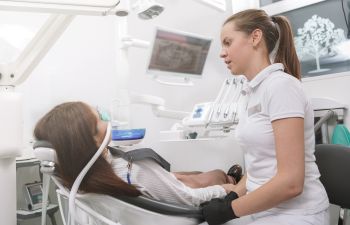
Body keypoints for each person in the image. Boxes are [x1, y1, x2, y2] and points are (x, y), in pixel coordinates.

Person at [201, 9, 329, 225]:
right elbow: (260, 165)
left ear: (255, 37)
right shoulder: (250, 93)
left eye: (227, 42)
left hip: (297, 215)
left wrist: (230, 210)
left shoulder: (281, 87)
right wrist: (234, 194)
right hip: (264, 211)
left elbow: (291, 183)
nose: (222, 53)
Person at [34, 101, 242, 207]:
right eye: (100, 117)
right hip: (172, 196)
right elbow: (189, 199)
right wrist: (225, 190)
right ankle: (231, 178)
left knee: (187, 174)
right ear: (91, 140)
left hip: (145, 185)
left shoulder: (75, 174)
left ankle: (213, 177)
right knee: (211, 176)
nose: (107, 118)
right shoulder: (134, 169)